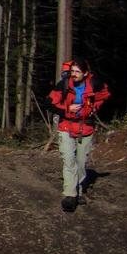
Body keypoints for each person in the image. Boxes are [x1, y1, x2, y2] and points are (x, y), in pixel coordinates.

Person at [47, 57, 110, 212]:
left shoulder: (94, 84)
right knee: (69, 160)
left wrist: (95, 106)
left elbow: (106, 94)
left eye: (77, 72)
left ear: (86, 73)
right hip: (66, 127)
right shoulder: (64, 85)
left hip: (85, 128)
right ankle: (69, 195)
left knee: (81, 162)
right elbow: (49, 103)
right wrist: (67, 109)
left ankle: (78, 191)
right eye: (72, 71)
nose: (74, 74)